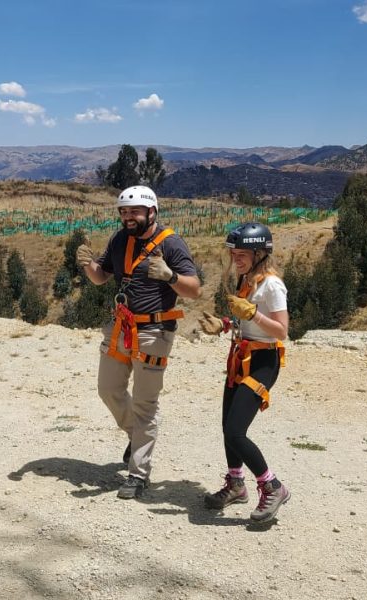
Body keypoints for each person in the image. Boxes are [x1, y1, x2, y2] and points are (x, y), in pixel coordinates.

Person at [76, 185, 200, 499]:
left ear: (151, 212)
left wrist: (170, 276)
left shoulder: (171, 244)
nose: (128, 217)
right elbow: (101, 277)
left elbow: (194, 290)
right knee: (108, 389)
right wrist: (87, 265)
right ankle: (136, 435)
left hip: (154, 332)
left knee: (145, 403)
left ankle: (138, 474)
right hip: (121, 326)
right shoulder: (119, 240)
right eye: (124, 211)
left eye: (134, 211)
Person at [198, 222, 290, 524]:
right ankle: (236, 484)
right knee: (228, 427)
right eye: (234, 254)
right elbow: (245, 321)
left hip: (263, 361)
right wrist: (225, 324)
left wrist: (253, 313)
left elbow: (281, 331)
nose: (236, 260)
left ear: (261, 253)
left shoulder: (272, 285)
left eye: (243, 254)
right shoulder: (247, 281)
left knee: (236, 431)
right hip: (242, 356)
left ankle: (272, 485)